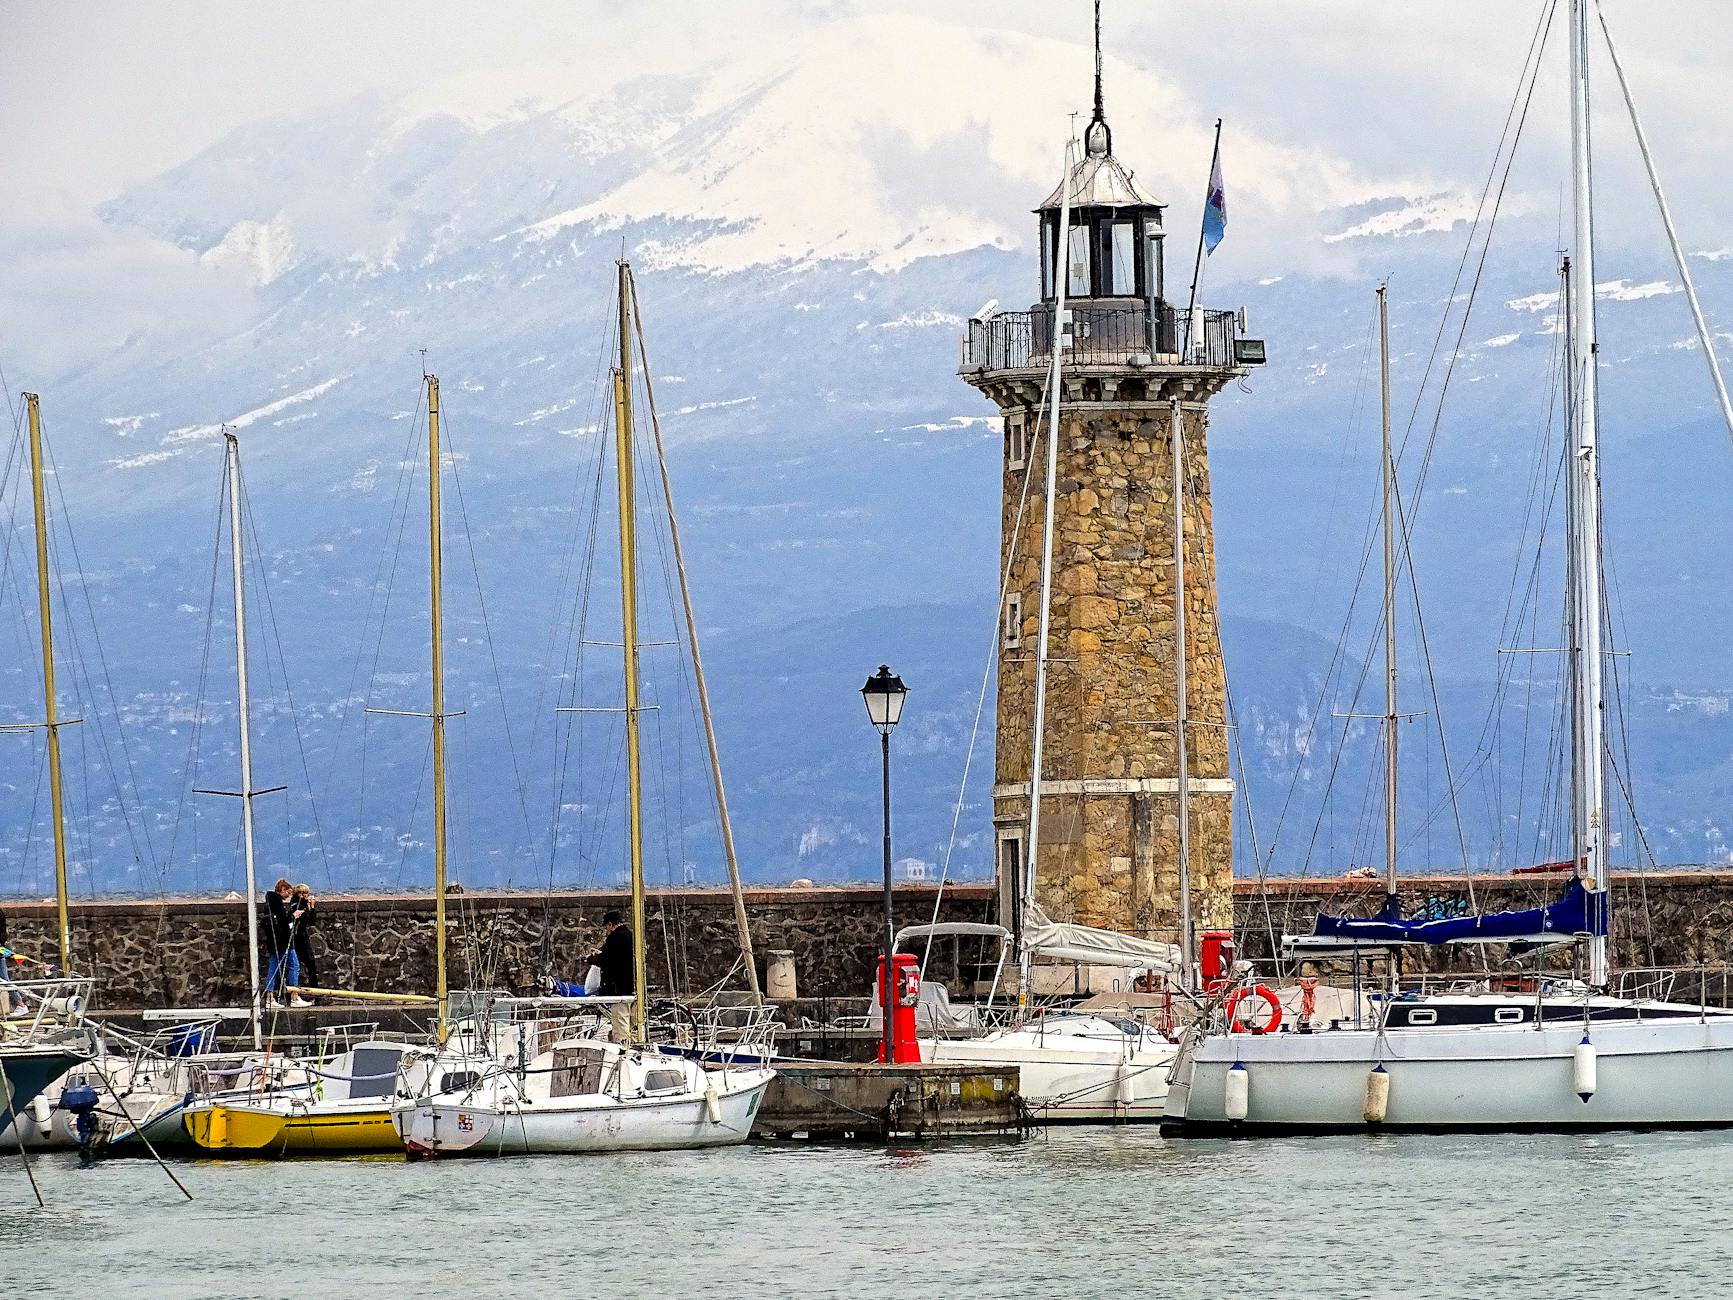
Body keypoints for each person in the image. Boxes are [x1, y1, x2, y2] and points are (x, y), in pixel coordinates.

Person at [587, 909, 635, 1043]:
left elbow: (608, 960)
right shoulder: (630, 935)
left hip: (618, 988)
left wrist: (592, 959)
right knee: (633, 1023)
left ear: (610, 924)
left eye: (605, 927)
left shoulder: (615, 938)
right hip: (633, 986)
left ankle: (623, 1050)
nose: (606, 930)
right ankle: (635, 1046)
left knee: (620, 1022)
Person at [263, 878, 305, 1008]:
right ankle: (294, 996)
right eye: (288, 892)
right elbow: (284, 924)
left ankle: (270, 997)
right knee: (294, 965)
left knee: (274, 967)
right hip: (283, 942)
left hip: (275, 942)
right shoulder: (277, 904)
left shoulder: (270, 904)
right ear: (282, 890)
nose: (289, 896)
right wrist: (294, 916)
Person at [291, 884, 319, 1003]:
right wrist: (310, 907)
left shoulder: (299, 905)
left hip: (301, 938)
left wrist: (311, 907)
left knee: (306, 965)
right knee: (307, 965)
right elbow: (309, 920)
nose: (304, 896)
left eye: (305, 893)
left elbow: (311, 922)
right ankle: (314, 994)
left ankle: (313, 993)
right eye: (301, 894)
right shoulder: (298, 905)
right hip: (299, 939)